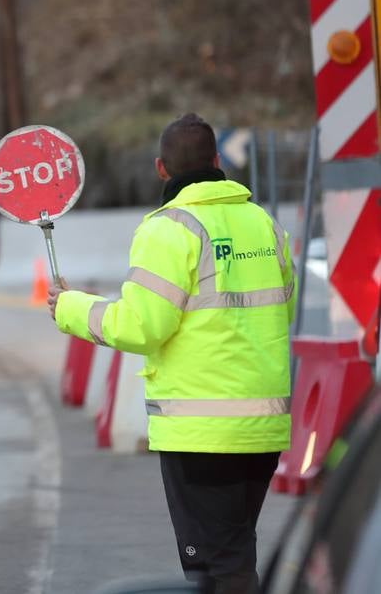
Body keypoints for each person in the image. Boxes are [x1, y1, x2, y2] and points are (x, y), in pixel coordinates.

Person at [49, 113, 295, 594]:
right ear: (218, 161)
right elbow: (282, 310)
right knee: (235, 552)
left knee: (219, 570)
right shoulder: (263, 222)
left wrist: (71, 307)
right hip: (265, 428)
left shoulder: (169, 229)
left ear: (162, 169)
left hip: (201, 433)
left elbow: (143, 327)